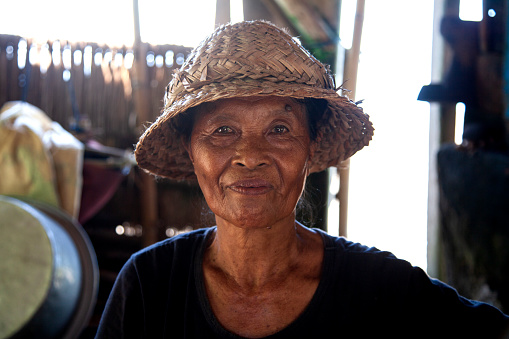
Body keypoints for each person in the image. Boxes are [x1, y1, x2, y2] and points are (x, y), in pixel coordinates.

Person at [96, 20, 509, 338]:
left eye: (279, 129)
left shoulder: (376, 288)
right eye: (222, 130)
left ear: (311, 147)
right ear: (191, 150)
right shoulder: (149, 287)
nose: (250, 156)